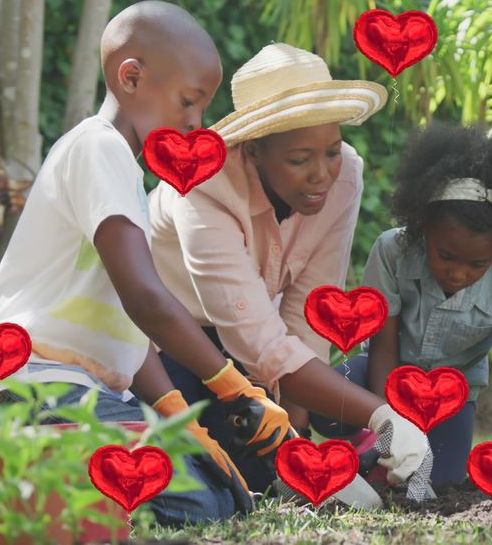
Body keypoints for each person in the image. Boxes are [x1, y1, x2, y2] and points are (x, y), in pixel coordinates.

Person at [0, 1, 294, 524]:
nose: (194, 124)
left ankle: (18, 485)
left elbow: (129, 341)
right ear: (130, 77)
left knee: (224, 496)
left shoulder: (122, 175)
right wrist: (233, 385)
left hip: (62, 391)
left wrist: (184, 420)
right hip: (30, 386)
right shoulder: (98, 147)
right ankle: (5, 487)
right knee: (196, 502)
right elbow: (146, 299)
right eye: (187, 102)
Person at [147, 44, 434, 500]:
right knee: (207, 488)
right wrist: (384, 417)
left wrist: (294, 436)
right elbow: (257, 341)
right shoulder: (200, 188)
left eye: (332, 151)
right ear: (253, 150)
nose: (322, 174)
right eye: (300, 160)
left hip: (255, 340)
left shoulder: (346, 178)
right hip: (170, 348)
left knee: (278, 474)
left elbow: (308, 305)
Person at [307, 123, 492, 484]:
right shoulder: (392, 252)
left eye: (477, 264)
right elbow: (383, 348)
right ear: (424, 226)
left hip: (450, 395)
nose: (458, 273)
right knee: (328, 410)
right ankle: (362, 450)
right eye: (446, 256)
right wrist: (387, 426)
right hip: (384, 374)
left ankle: (375, 462)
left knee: (442, 481)